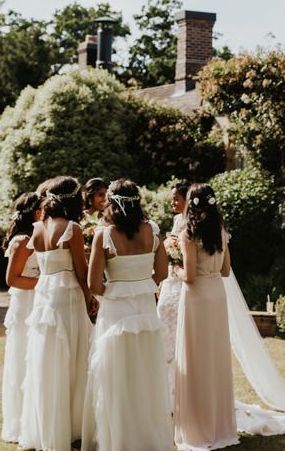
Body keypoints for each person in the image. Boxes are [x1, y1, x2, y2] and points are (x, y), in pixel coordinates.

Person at [82, 179, 172, 451]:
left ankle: (120, 441)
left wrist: (115, 288)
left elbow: (94, 284)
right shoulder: (152, 231)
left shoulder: (105, 235)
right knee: (146, 375)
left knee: (117, 377)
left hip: (116, 312)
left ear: (111, 202)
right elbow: (163, 274)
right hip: (145, 309)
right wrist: (139, 283)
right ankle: (148, 439)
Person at [19, 176, 95, 451]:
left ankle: (47, 428)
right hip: (67, 297)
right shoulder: (72, 228)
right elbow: (81, 270)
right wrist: (91, 299)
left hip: (44, 295)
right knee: (74, 360)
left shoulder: (37, 227)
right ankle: (74, 428)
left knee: (47, 360)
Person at [173, 183, 238, 450]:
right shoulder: (220, 232)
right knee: (215, 359)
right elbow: (225, 270)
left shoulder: (188, 235)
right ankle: (220, 426)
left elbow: (188, 277)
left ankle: (198, 428)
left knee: (196, 360)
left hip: (197, 297)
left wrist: (173, 266)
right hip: (216, 296)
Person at [0, 192, 41, 443]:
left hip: (35, 300)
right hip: (26, 303)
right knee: (22, 358)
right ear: (36, 213)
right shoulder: (23, 240)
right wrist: (45, 281)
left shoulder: (36, 237)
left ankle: (35, 417)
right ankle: (20, 421)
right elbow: (12, 279)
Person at [157, 180, 190, 404]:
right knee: (164, 338)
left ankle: (180, 394)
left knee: (179, 338)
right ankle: (165, 393)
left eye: (176, 198)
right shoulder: (177, 220)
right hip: (169, 282)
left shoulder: (193, 225)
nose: (172, 202)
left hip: (181, 286)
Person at [81, 178, 109, 261]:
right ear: (90, 197)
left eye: (106, 195)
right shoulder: (80, 217)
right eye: (100, 195)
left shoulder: (109, 218)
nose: (105, 199)